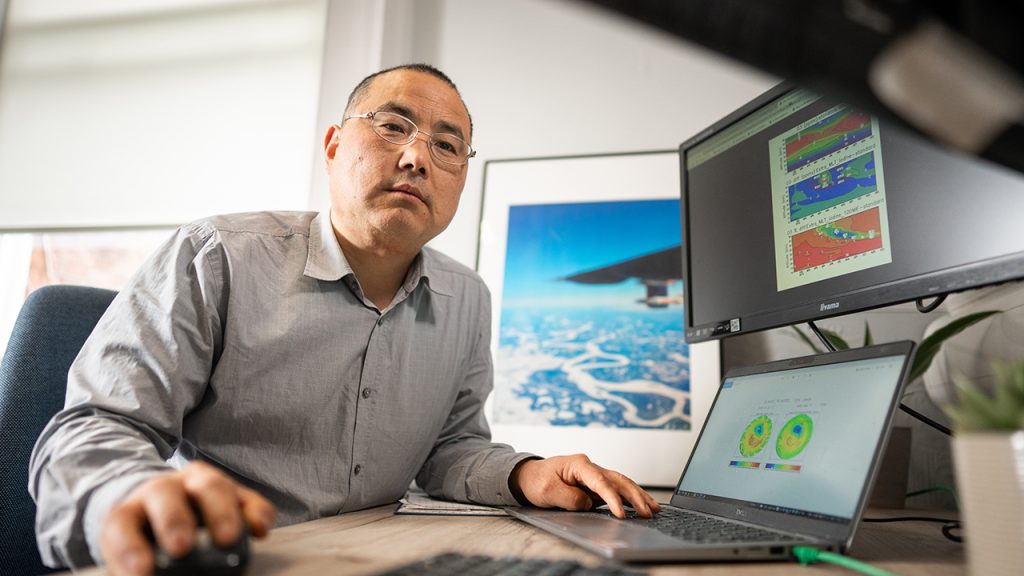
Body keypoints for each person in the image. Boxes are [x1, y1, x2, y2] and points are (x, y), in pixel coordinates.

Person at [29, 63, 660, 576]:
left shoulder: (468, 297)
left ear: (461, 179)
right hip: (235, 555)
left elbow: (450, 450)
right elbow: (94, 427)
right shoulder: (215, 255)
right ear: (334, 146)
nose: (418, 158)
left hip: (377, 556)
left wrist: (527, 474)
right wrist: (129, 494)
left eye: (447, 146)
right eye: (393, 126)